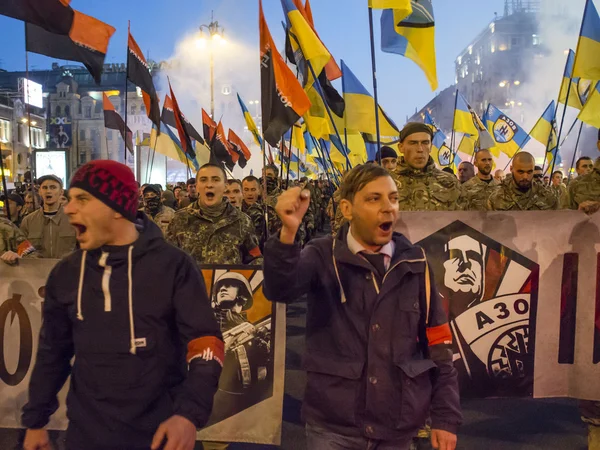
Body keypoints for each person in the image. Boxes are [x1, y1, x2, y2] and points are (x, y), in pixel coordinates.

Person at [21, 160, 223, 450]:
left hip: (162, 436)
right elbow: (53, 352)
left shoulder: (173, 266)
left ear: (116, 208)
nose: (68, 208)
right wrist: (36, 421)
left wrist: (188, 415)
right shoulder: (66, 274)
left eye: (82, 199)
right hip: (85, 437)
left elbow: (207, 343)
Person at [264, 164, 462, 450]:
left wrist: (446, 416)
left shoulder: (416, 262)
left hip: (397, 424)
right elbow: (280, 289)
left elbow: (440, 344)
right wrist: (288, 233)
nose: (388, 208)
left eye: (393, 198)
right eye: (374, 199)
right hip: (334, 425)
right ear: (347, 208)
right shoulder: (322, 255)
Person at [166, 163, 262, 265]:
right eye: (203, 180)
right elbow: (167, 260)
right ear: (197, 186)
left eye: (215, 179)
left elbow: (255, 259)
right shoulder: (180, 219)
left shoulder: (242, 221)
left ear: (225, 186)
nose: (209, 185)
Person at [394, 122, 461, 211]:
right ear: (401, 147)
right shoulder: (386, 183)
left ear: (430, 147)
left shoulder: (450, 183)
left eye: (425, 143)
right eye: (413, 143)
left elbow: (464, 220)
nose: (420, 149)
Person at [20, 174, 77, 258]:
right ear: (40, 191)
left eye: (53, 187)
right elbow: (22, 250)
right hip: (37, 269)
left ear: (61, 192)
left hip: (66, 269)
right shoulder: (28, 221)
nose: (48, 191)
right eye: (44, 188)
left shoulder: (74, 219)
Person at [487, 152, 558, 211]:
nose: (525, 177)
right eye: (520, 172)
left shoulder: (548, 195)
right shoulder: (496, 197)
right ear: (511, 169)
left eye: (529, 172)